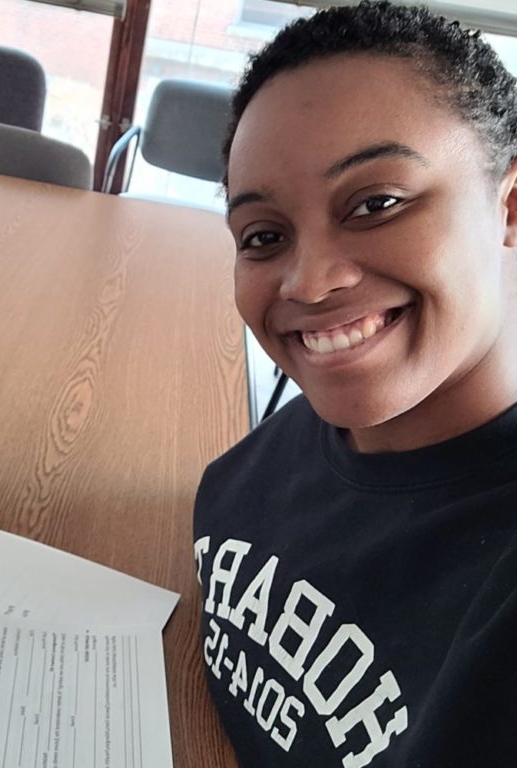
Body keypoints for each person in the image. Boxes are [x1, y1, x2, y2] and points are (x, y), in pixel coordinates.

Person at [193, 2, 517, 766]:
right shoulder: (306, 435)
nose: (309, 283)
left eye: (376, 203)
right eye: (264, 236)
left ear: (507, 207)